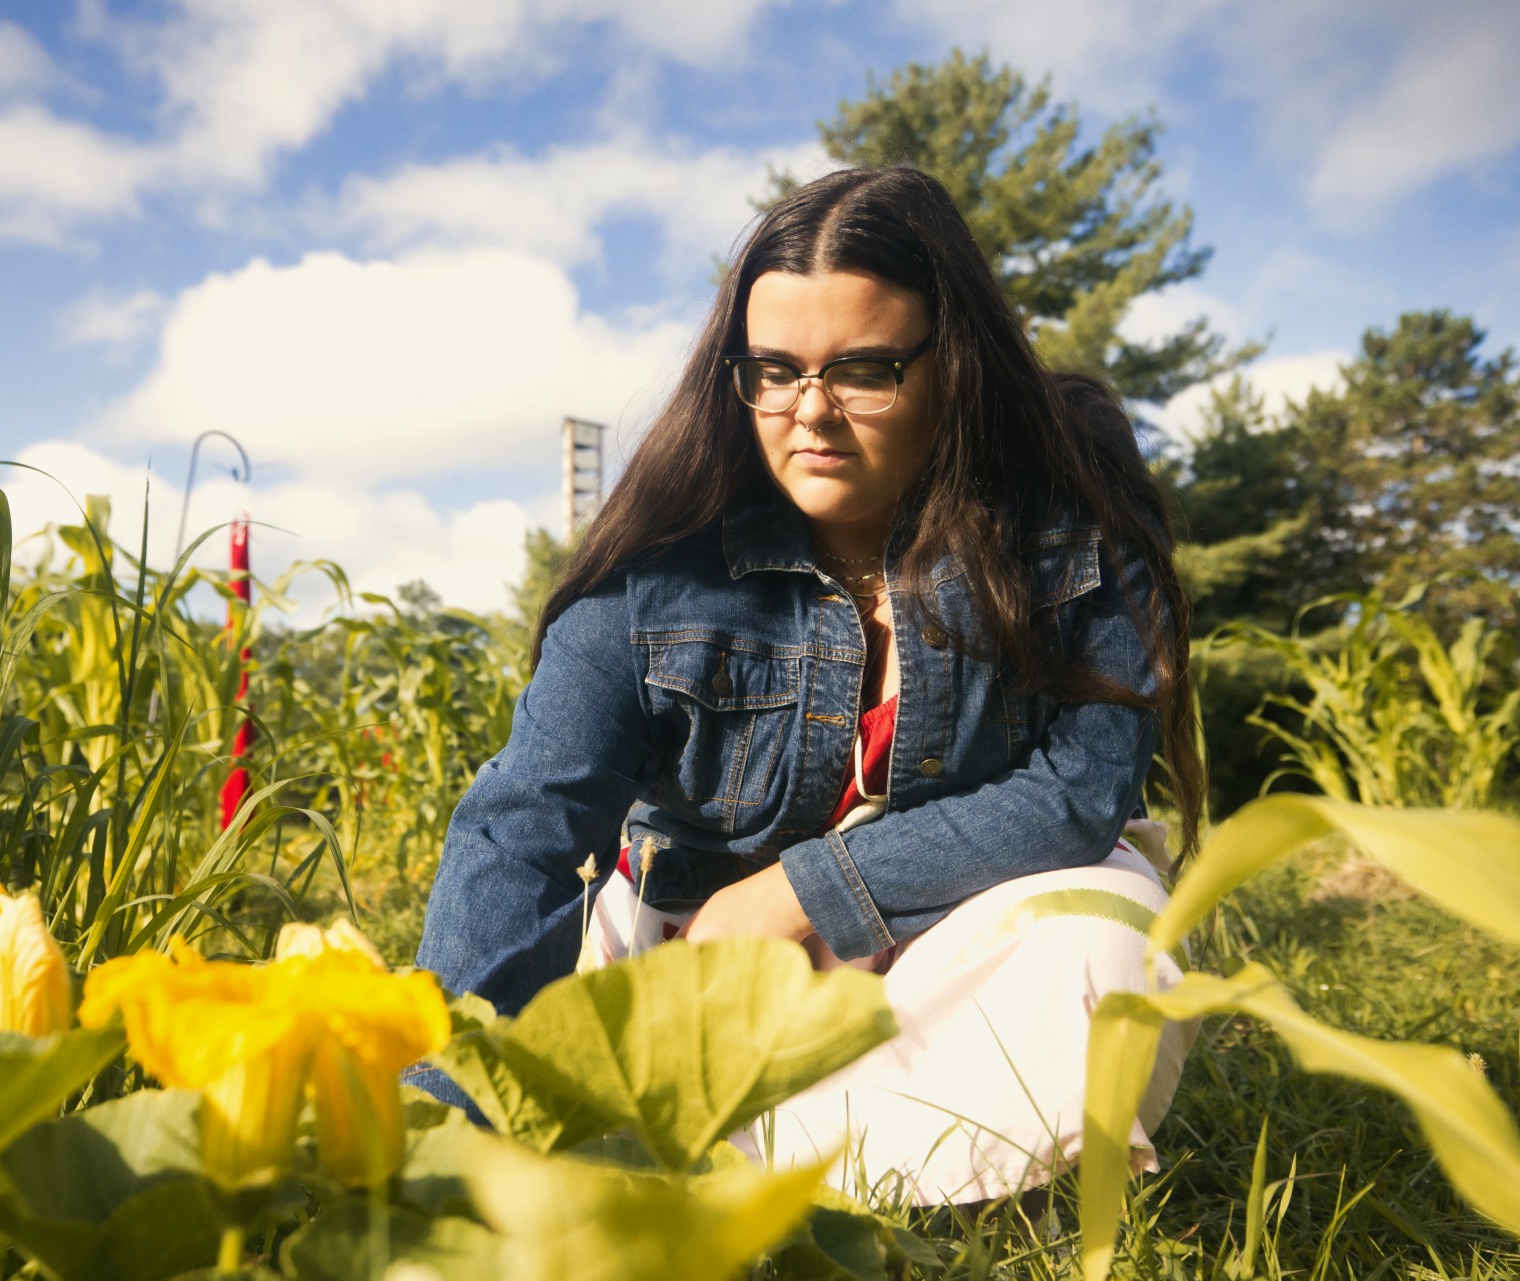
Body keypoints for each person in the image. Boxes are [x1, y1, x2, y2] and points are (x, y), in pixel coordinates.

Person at [409, 166, 1204, 1204]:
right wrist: (431, 1125)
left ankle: (812, 1171)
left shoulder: (1063, 524)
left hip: (951, 945)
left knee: (1099, 946)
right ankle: (821, 1160)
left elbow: (1081, 793)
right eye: (774, 370)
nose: (810, 414)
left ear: (952, 366)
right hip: (697, 963)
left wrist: (797, 892)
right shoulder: (658, 574)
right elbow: (520, 832)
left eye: (865, 370)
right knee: (554, 1038)